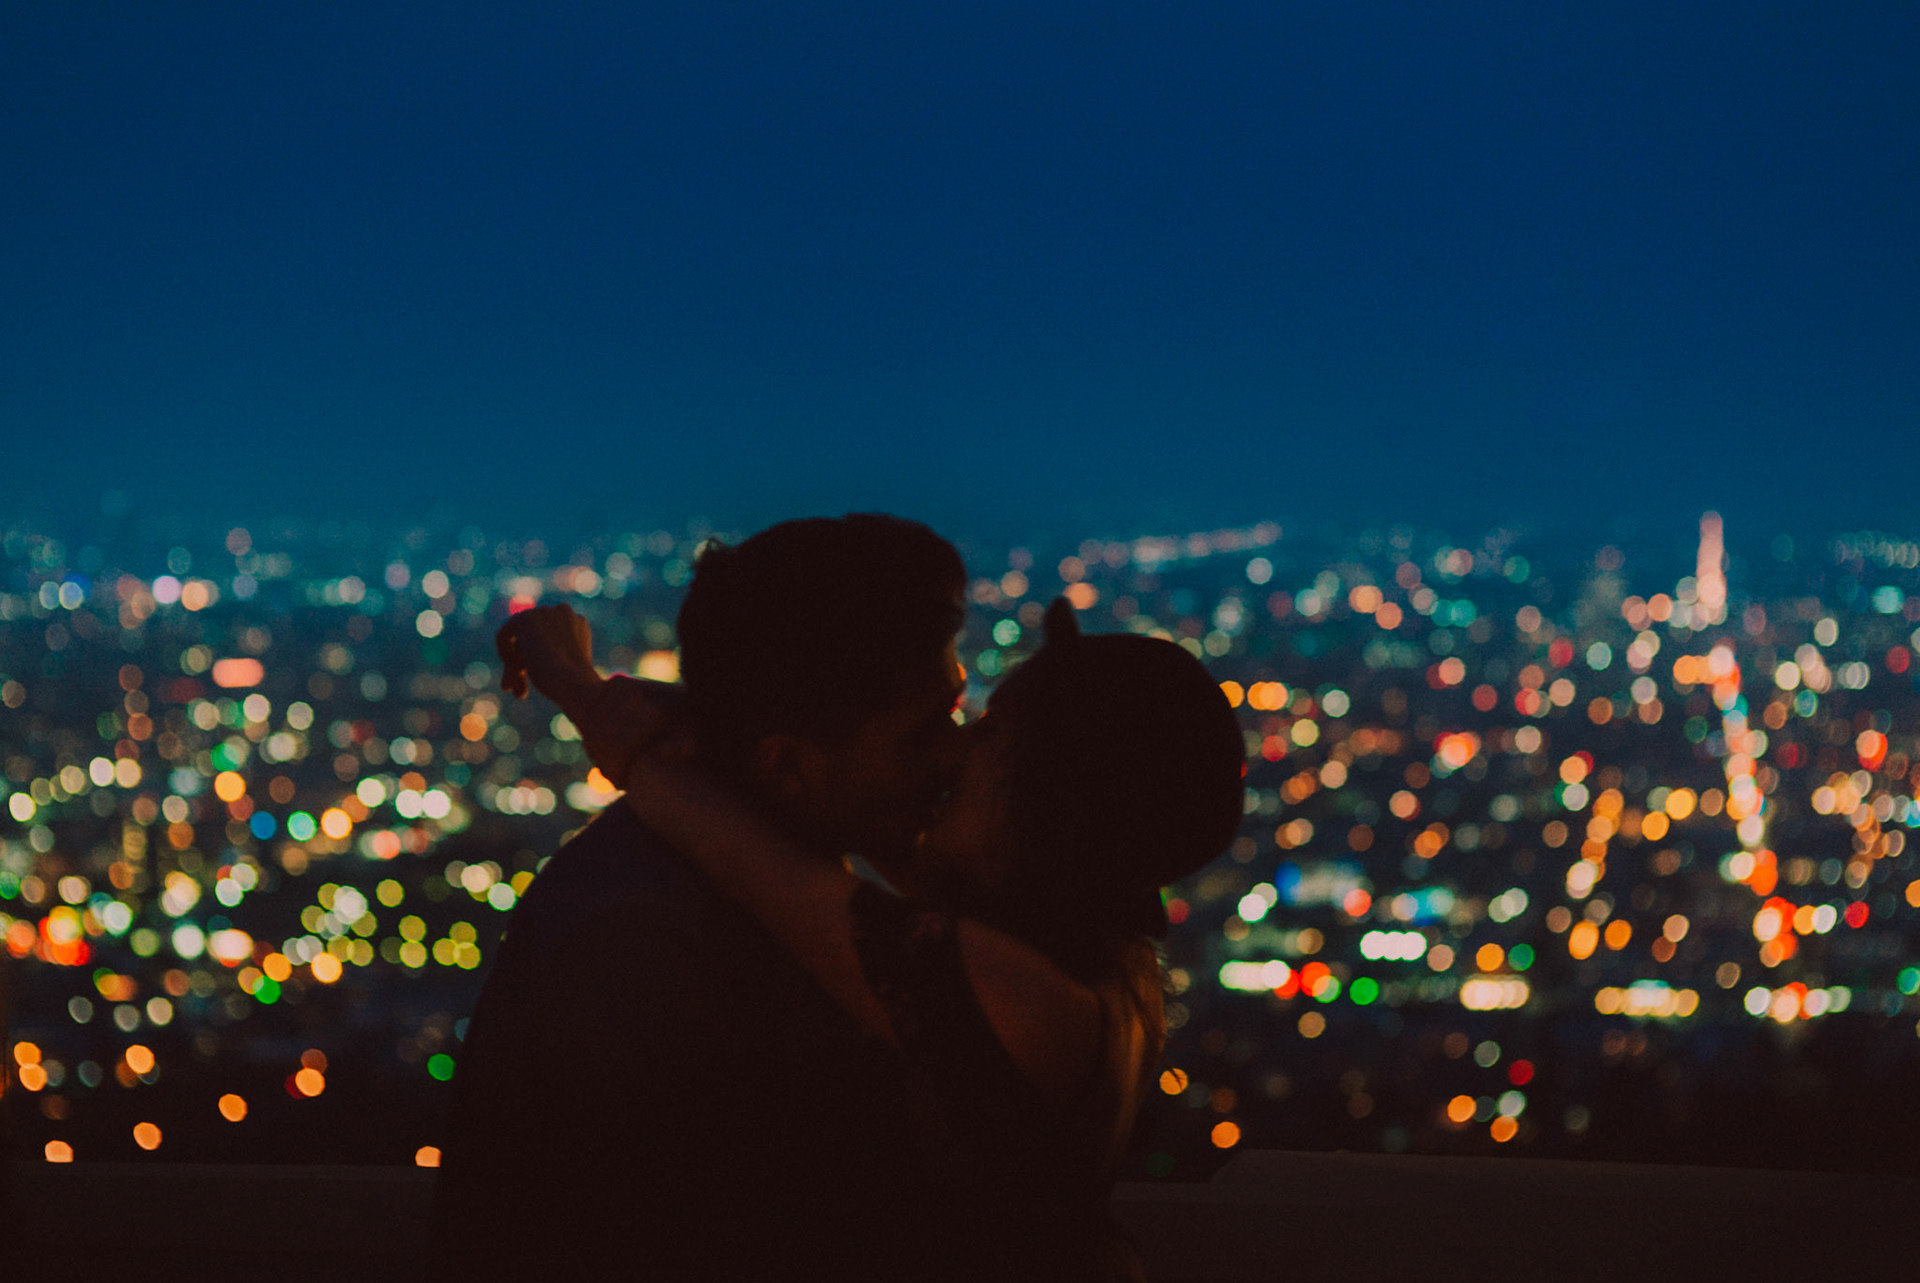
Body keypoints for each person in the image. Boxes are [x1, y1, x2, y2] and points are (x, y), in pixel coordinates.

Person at [503, 595, 1245, 1280]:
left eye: (991, 732)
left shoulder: (1016, 997)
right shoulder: (1096, 962)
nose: (954, 752)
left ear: (1057, 798)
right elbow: (857, 801)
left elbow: (754, 863)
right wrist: (700, 719)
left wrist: (581, 690)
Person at [429, 515, 970, 1281]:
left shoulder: (739, 878)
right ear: (785, 764)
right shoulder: (642, 944)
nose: (959, 753)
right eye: (926, 730)